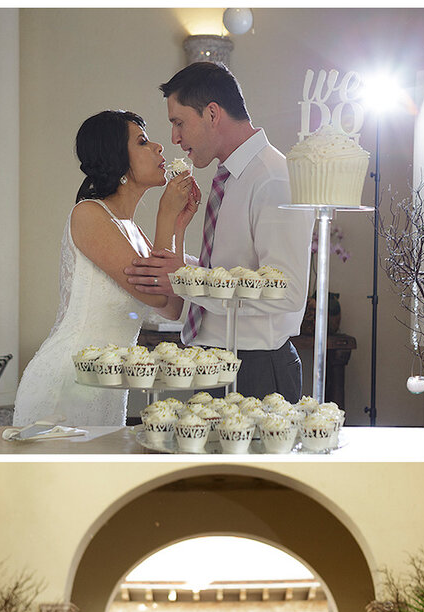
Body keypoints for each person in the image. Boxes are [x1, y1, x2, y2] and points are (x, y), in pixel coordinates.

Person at [127, 61, 312, 403]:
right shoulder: (232, 174)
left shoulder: (273, 178)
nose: (174, 138)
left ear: (212, 113)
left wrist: (185, 278)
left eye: (179, 122)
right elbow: (235, 268)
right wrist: (179, 267)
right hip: (219, 362)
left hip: (256, 369)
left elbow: (287, 292)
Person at [13, 110, 199, 433]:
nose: (158, 147)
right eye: (142, 141)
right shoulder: (89, 214)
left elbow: (172, 306)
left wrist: (178, 226)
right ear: (118, 160)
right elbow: (156, 294)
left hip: (108, 390)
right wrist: (165, 215)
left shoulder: (136, 233)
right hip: (66, 382)